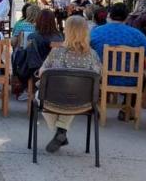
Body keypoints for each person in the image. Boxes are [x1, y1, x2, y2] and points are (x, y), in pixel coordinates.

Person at [38, 16, 102, 153]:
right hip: (83, 102)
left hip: (52, 99)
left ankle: (60, 131)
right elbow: (98, 76)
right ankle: (61, 130)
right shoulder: (93, 55)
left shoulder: (56, 52)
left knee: (40, 96)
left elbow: (42, 72)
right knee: (74, 94)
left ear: (67, 31)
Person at [90, 3, 146, 120]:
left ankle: (95, 106)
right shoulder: (137, 34)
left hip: (102, 77)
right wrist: (140, 67)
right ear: (127, 17)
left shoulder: (96, 32)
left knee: (90, 72)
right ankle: (127, 108)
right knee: (143, 77)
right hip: (131, 79)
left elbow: (84, 51)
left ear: (109, 15)